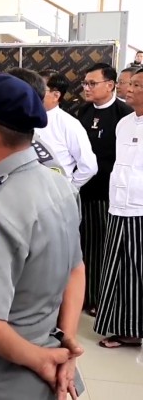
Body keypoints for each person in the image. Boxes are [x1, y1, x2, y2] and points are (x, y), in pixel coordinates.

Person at [0, 73, 86, 399]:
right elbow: (76, 269)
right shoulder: (59, 184)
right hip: (44, 351)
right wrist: (67, 342)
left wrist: (43, 361)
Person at [77, 63, 133, 316]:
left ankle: (100, 298)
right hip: (82, 189)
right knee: (82, 244)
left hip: (108, 194)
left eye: (92, 83)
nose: (87, 88)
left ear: (110, 85)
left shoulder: (124, 114)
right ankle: (83, 295)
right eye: (85, 83)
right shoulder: (83, 111)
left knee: (101, 247)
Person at [93, 68, 143, 350]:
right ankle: (118, 325)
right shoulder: (124, 123)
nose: (130, 89)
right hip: (117, 204)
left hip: (140, 208)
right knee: (115, 265)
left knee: (136, 269)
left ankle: (134, 329)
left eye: (138, 85)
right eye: (130, 83)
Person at [36, 69, 98, 188]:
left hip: (55, 192)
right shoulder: (23, 118)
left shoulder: (69, 124)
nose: (33, 94)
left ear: (56, 95)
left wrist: (69, 189)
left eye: (39, 89)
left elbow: (89, 166)